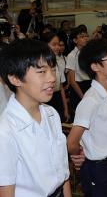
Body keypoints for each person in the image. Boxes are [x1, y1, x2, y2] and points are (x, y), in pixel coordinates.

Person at [0, 39, 71, 197]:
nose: (52, 78)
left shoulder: (51, 113)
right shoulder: (5, 131)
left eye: (53, 69)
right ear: (15, 79)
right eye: (41, 72)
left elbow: (63, 173)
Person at [67, 39, 107, 197]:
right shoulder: (91, 100)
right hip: (99, 167)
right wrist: (81, 154)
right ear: (95, 66)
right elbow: (72, 142)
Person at [41, 32, 70, 122]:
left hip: (57, 98)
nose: (57, 47)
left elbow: (60, 87)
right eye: (54, 44)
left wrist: (65, 108)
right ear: (45, 45)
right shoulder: (40, 64)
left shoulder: (56, 62)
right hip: (45, 100)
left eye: (58, 44)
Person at [66, 25, 91, 114]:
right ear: (75, 40)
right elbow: (72, 81)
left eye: (86, 36)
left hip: (89, 85)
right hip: (78, 88)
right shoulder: (72, 55)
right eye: (82, 37)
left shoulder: (88, 53)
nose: (86, 38)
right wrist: (83, 97)